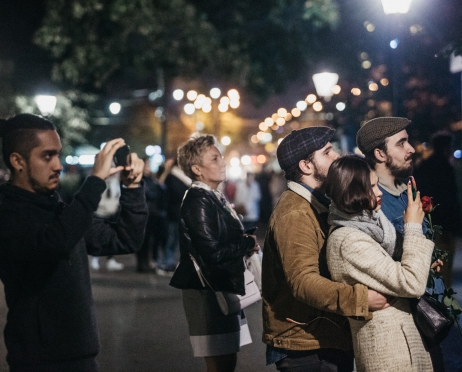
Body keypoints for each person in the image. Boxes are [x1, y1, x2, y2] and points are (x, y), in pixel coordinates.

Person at [0, 114, 148, 371]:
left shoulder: (58, 208)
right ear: (17, 161)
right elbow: (54, 243)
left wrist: (133, 190)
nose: (58, 165)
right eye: (47, 156)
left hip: (81, 355)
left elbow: (125, 240)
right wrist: (95, 182)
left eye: (58, 154)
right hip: (38, 360)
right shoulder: (8, 212)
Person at [262, 126, 388, 372]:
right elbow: (303, 281)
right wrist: (362, 299)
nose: (337, 156)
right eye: (328, 152)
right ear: (306, 166)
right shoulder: (296, 212)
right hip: (307, 346)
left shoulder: (317, 203)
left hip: (321, 337)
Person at [325, 155, 434, 372]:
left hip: (401, 345)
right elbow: (411, 282)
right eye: (371, 187)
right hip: (389, 353)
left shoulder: (369, 227)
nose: (379, 192)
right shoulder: (348, 240)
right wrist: (412, 226)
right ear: (353, 191)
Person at [356, 116, 446, 371]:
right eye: (401, 143)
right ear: (379, 153)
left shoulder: (408, 188)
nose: (411, 149)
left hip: (433, 314)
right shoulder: (370, 202)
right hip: (407, 323)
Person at [169, 134, 259, 372]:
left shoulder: (211, 196)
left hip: (219, 287)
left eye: (221, 157)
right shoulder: (199, 199)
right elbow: (212, 251)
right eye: (215, 158)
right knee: (219, 364)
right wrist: (246, 245)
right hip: (208, 292)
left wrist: (244, 238)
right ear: (197, 168)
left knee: (227, 359)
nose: (223, 162)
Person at [414, 131, 462, 286]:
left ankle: (437, 294)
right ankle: (443, 297)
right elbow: (449, 198)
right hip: (444, 223)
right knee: (445, 261)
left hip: (429, 220)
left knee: (434, 263)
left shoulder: (424, 166)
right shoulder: (445, 167)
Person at [157, 158, 191, 276]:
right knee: (170, 239)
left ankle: (169, 262)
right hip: (173, 214)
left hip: (179, 214)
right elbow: (176, 194)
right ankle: (166, 262)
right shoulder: (174, 177)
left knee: (175, 239)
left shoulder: (183, 178)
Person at [136, 157, 168, 273]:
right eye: (147, 165)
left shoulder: (150, 179)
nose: (149, 167)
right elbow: (150, 193)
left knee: (150, 239)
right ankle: (142, 263)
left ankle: (147, 262)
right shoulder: (141, 179)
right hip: (146, 213)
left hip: (153, 213)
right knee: (144, 240)